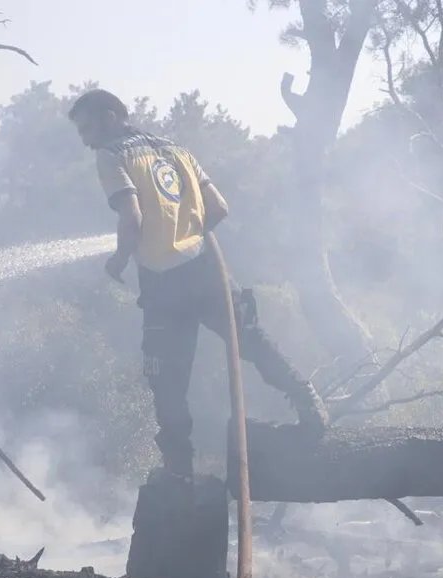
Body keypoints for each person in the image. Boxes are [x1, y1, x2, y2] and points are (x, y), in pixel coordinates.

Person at [68, 89, 327, 486]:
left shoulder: (112, 155)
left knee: (167, 381)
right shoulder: (177, 150)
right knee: (251, 341)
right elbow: (219, 207)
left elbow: (132, 219)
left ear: (110, 117)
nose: (85, 140)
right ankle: (308, 401)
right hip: (207, 269)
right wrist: (188, 234)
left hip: (162, 284)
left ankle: (179, 474)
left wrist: (118, 260)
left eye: (88, 129)